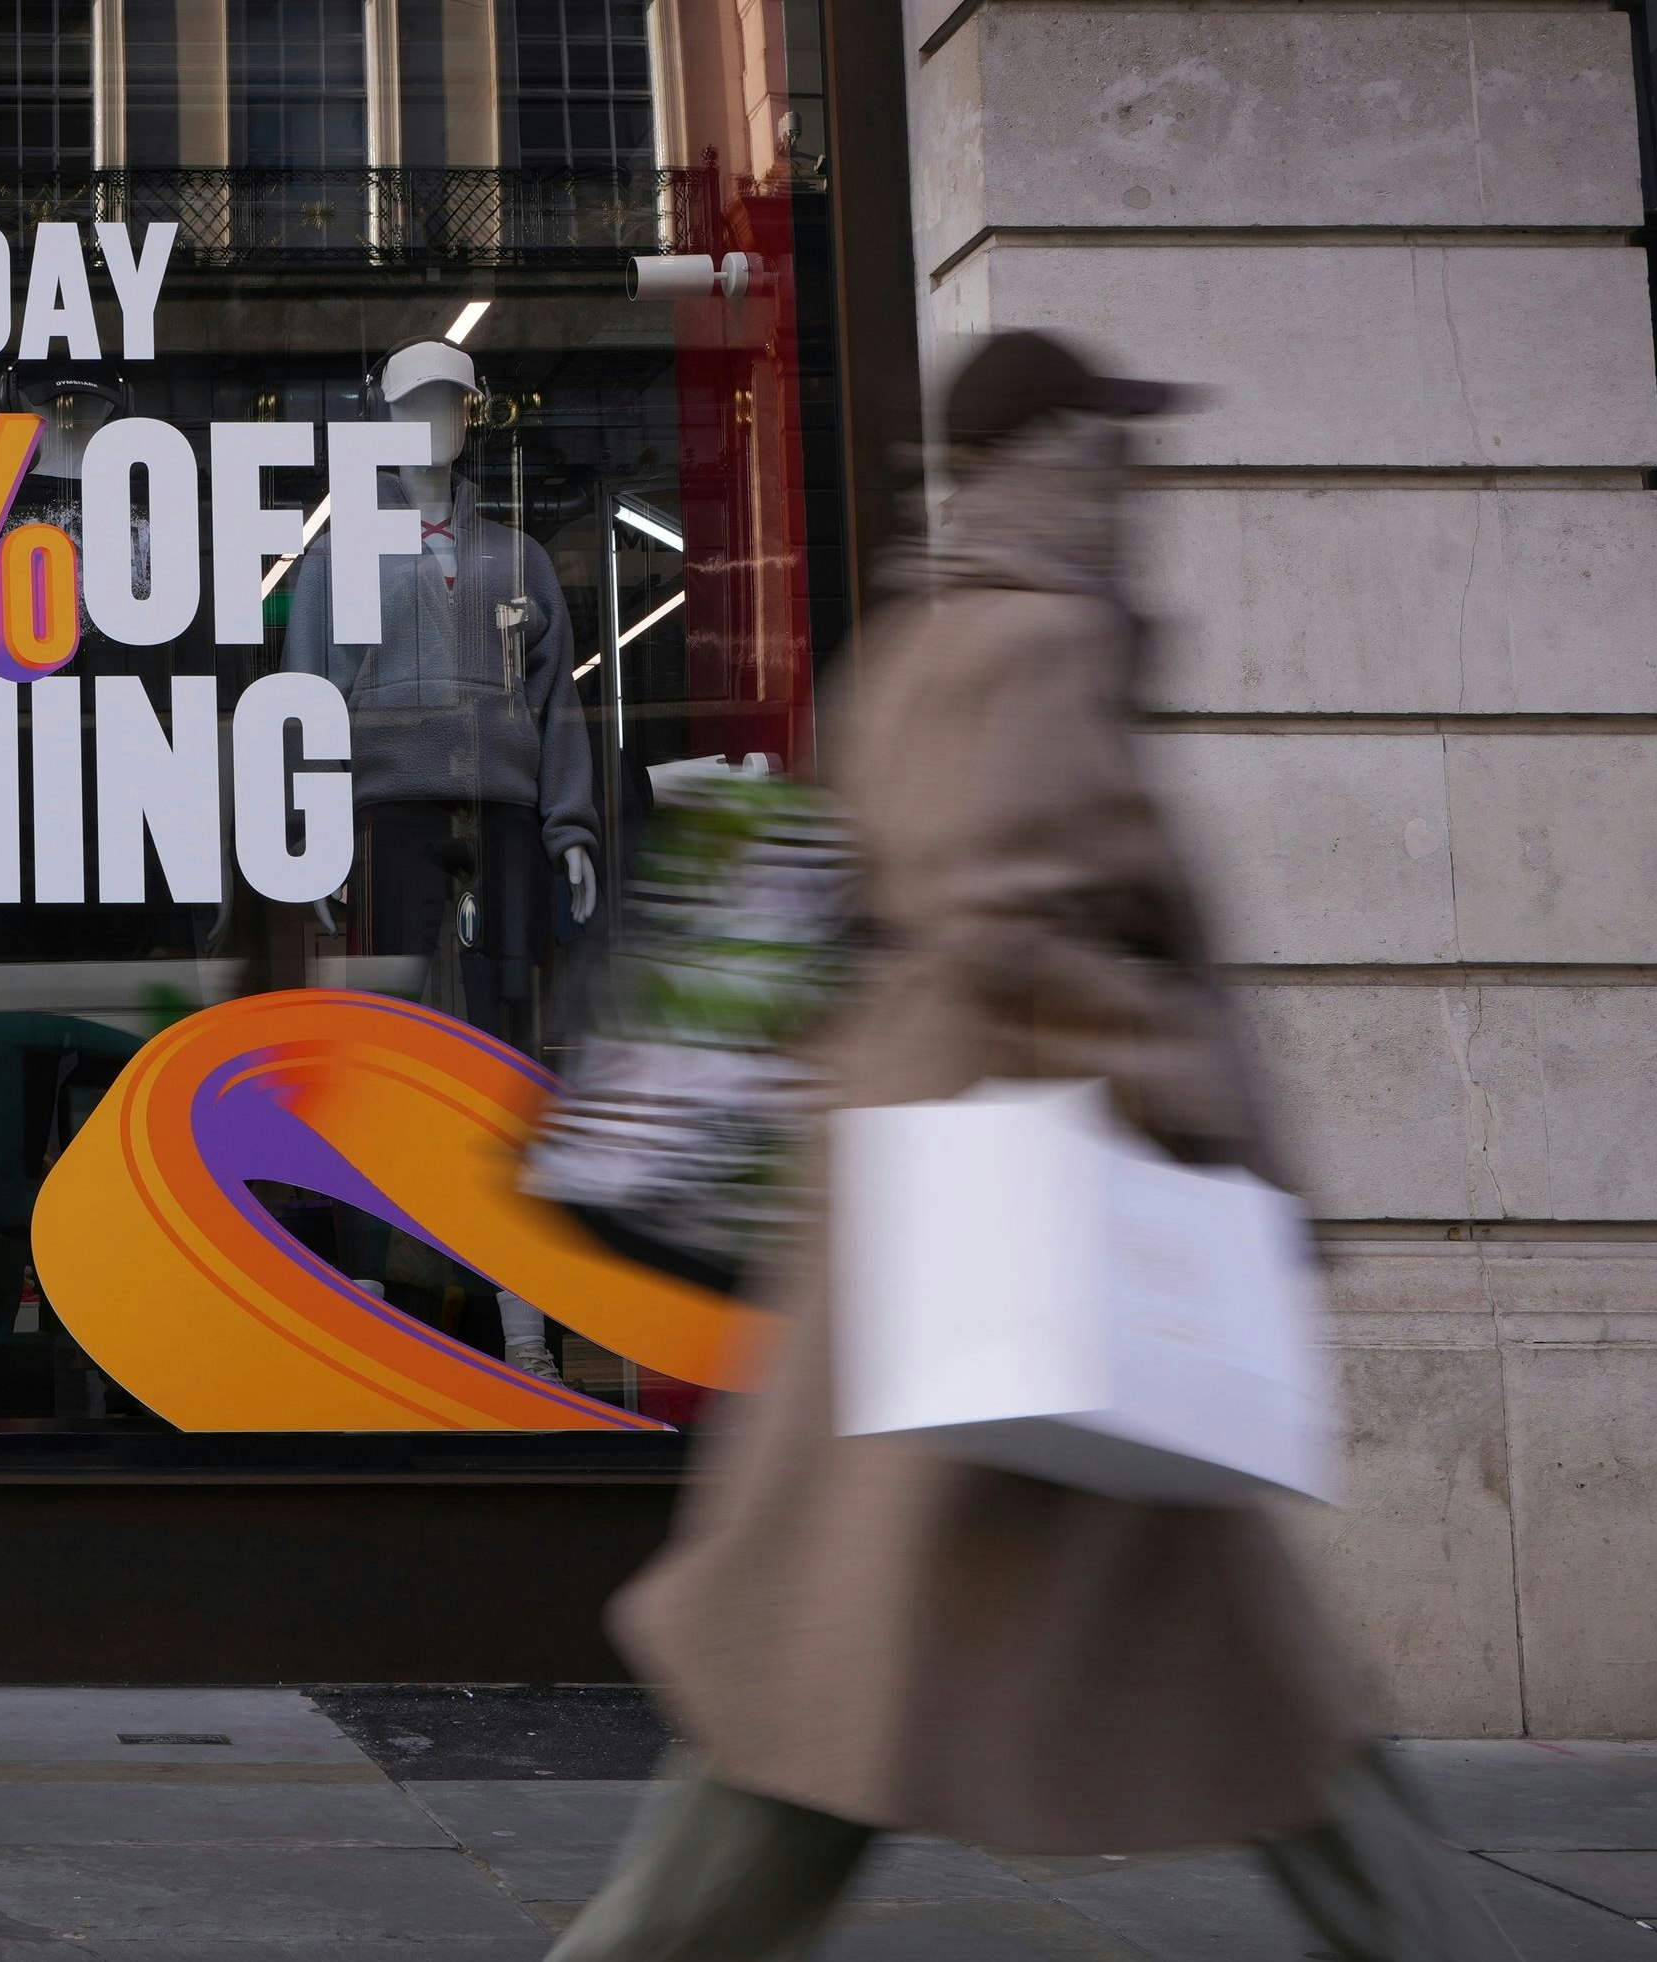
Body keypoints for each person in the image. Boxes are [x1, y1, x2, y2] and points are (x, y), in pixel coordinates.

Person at [555, 332, 1514, 1962]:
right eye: (1105, 444)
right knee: (904, 1693)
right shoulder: (1039, 637)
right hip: (1035, 1223)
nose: (1132, 477)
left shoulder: (933, 631)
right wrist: (1183, 1078)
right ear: (1050, 452)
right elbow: (1005, 916)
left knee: (862, 1686)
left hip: (958, 1220)